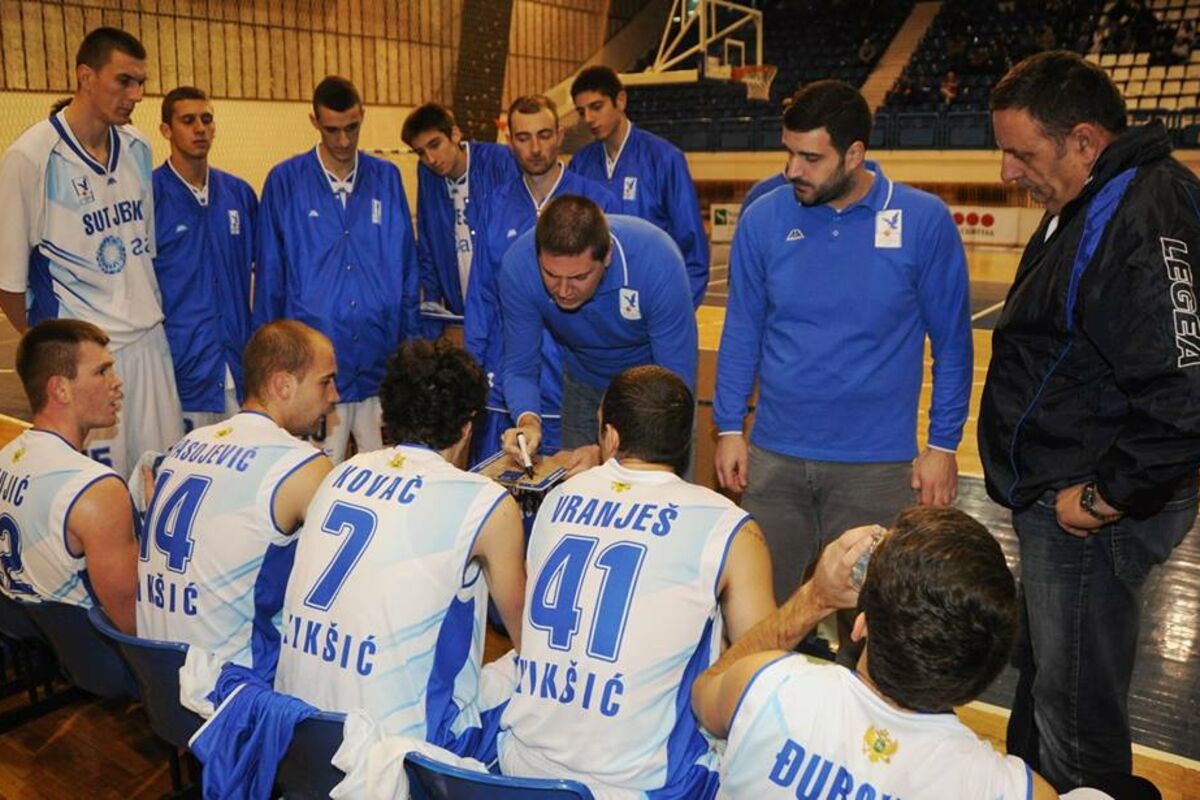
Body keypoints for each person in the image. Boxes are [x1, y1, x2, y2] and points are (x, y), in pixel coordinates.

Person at [981, 50, 1200, 791]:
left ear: (1083, 140)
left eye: (1022, 153)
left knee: (1076, 718)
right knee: (1048, 686)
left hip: (1088, 515)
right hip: (1061, 498)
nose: (1007, 171)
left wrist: (1106, 498)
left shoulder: (1143, 210)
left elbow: (1184, 394)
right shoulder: (1096, 199)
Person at [713, 80, 973, 621]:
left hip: (876, 469)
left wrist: (943, 444)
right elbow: (742, 330)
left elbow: (952, 344)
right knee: (757, 621)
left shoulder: (923, 221)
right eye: (788, 153)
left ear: (854, 154)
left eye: (810, 158)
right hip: (775, 462)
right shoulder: (763, 217)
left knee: (867, 627)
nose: (793, 170)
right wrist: (729, 427)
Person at [497, 365, 776, 796]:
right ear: (684, 441)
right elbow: (762, 673)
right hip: (635, 785)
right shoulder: (729, 526)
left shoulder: (559, 497)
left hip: (522, 767)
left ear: (610, 437)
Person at [692, 507, 1059, 799]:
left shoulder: (767, 686)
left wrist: (815, 598)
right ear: (989, 670)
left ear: (860, 625)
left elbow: (705, 691)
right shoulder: (1004, 788)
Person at [275, 339, 526, 754]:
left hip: (295, 729)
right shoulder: (487, 503)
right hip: (395, 751)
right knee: (535, 673)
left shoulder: (339, 472)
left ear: (388, 416)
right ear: (468, 427)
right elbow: (527, 638)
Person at [0, 27, 183, 476]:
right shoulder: (30, 158)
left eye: (140, 82)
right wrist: (59, 353)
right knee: (98, 490)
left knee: (160, 479)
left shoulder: (138, 147)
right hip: (89, 359)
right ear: (86, 76)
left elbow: (144, 251)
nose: (136, 94)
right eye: (124, 81)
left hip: (150, 343)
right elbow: (8, 284)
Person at [136, 320, 336, 675]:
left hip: (157, 669)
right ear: (283, 385)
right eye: (325, 382)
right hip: (232, 684)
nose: (334, 395)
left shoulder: (189, 443)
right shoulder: (300, 464)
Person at [255, 76, 420, 464]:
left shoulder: (387, 178)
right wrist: (269, 364)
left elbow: (408, 268)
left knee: (388, 473)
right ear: (314, 121)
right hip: (313, 373)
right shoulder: (284, 181)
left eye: (352, 128)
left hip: (380, 362)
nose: (344, 140)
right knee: (318, 476)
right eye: (332, 130)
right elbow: (270, 277)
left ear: (362, 115)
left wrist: (411, 349)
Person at [466, 94, 617, 462]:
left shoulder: (597, 202)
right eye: (523, 137)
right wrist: (473, 373)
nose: (535, 148)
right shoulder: (494, 204)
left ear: (560, 135)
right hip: (508, 378)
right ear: (509, 141)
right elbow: (481, 296)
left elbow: (612, 296)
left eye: (544, 135)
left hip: (577, 378)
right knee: (504, 484)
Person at [498, 195, 698, 468]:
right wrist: (528, 422)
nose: (564, 291)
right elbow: (520, 367)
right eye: (551, 275)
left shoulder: (657, 260)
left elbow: (675, 384)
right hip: (583, 382)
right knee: (578, 482)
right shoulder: (518, 266)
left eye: (579, 277)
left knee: (658, 486)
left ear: (607, 256)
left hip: (653, 393)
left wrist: (605, 453)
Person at [0, 320, 138, 633]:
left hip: (33, 638)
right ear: (60, 389)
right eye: (102, 371)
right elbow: (134, 625)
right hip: (94, 652)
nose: (116, 382)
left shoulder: (7, 457)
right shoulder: (96, 489)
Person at [153, 86, 257, 433]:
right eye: (188, 121)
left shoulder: (240, 194)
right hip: (182, 371)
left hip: (237, 366)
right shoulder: (149, 196)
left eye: (207, 119)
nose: (200, 128)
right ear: (166, 130)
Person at [566, 66, 709, 307]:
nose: (588, 118)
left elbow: (692, 248)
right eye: (582, 112)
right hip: (596, 307)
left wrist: (677, 310)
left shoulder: (664, 159)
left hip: (653, 301)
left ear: (620, 100)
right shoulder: (580, 164)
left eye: (596, 107)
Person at [402, 102, 518, 332]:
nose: (431, 159)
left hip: (507, 311)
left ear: (455, 134)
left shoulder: (499, 160)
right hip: (460, 312)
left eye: (435, 145)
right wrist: (433, 303)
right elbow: (427, 241)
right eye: (421, 152)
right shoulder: (427, 174)